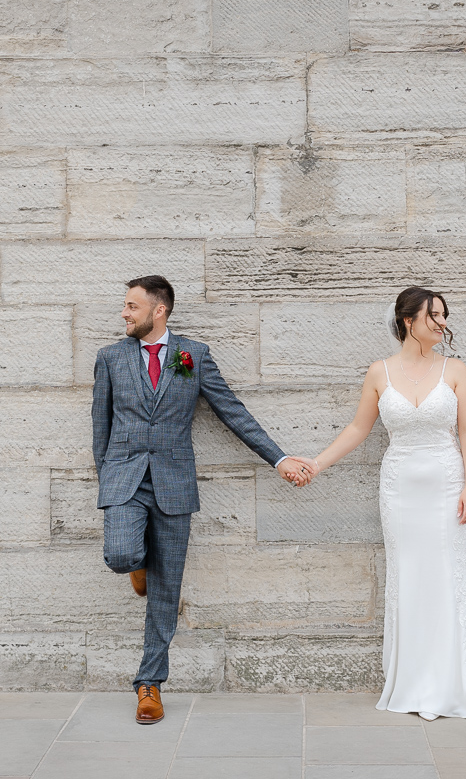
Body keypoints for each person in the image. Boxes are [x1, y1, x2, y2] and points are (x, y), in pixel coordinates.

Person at [304, 286, 466, 726]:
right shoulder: (379, 372)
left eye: (443, 315)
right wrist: (316, 463)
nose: (442, 323)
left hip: (446, 485)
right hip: (399, 489)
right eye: (433, 316)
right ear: (408, 320)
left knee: (447, 575)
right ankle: (414, 681)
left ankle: (455, 680)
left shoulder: (455, 370)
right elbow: (358, 428)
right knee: (408, 577)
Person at [92, 275, 313, 724]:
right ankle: (137, 563)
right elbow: (100, 425)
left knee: (166, 589)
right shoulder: (111, 358)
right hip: (125, 480)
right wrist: (107, 479)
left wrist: (279, 458)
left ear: (159, 310)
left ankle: (149, 683)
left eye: (132, 306)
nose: (124, 313)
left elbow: (231, 411)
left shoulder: (189, 356)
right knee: (120, 554)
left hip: (174, 483)